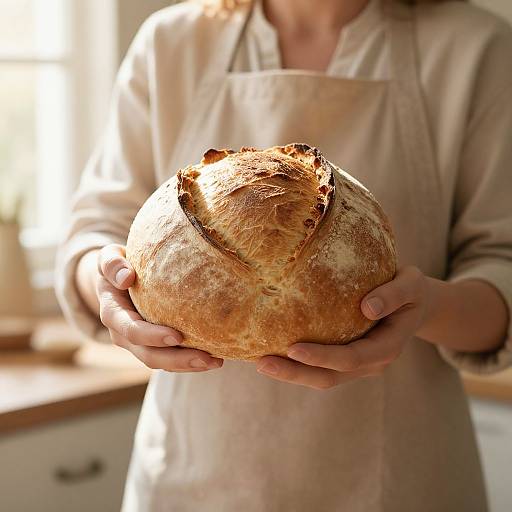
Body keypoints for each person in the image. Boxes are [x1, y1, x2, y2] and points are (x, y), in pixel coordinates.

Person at [56, 0, 512, 510]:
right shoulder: (173, 42)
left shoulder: (475, 48)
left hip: (399, 476)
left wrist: (429, 306)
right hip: (195, 475)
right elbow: (96, 230)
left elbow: (502, 267)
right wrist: (103, 283)